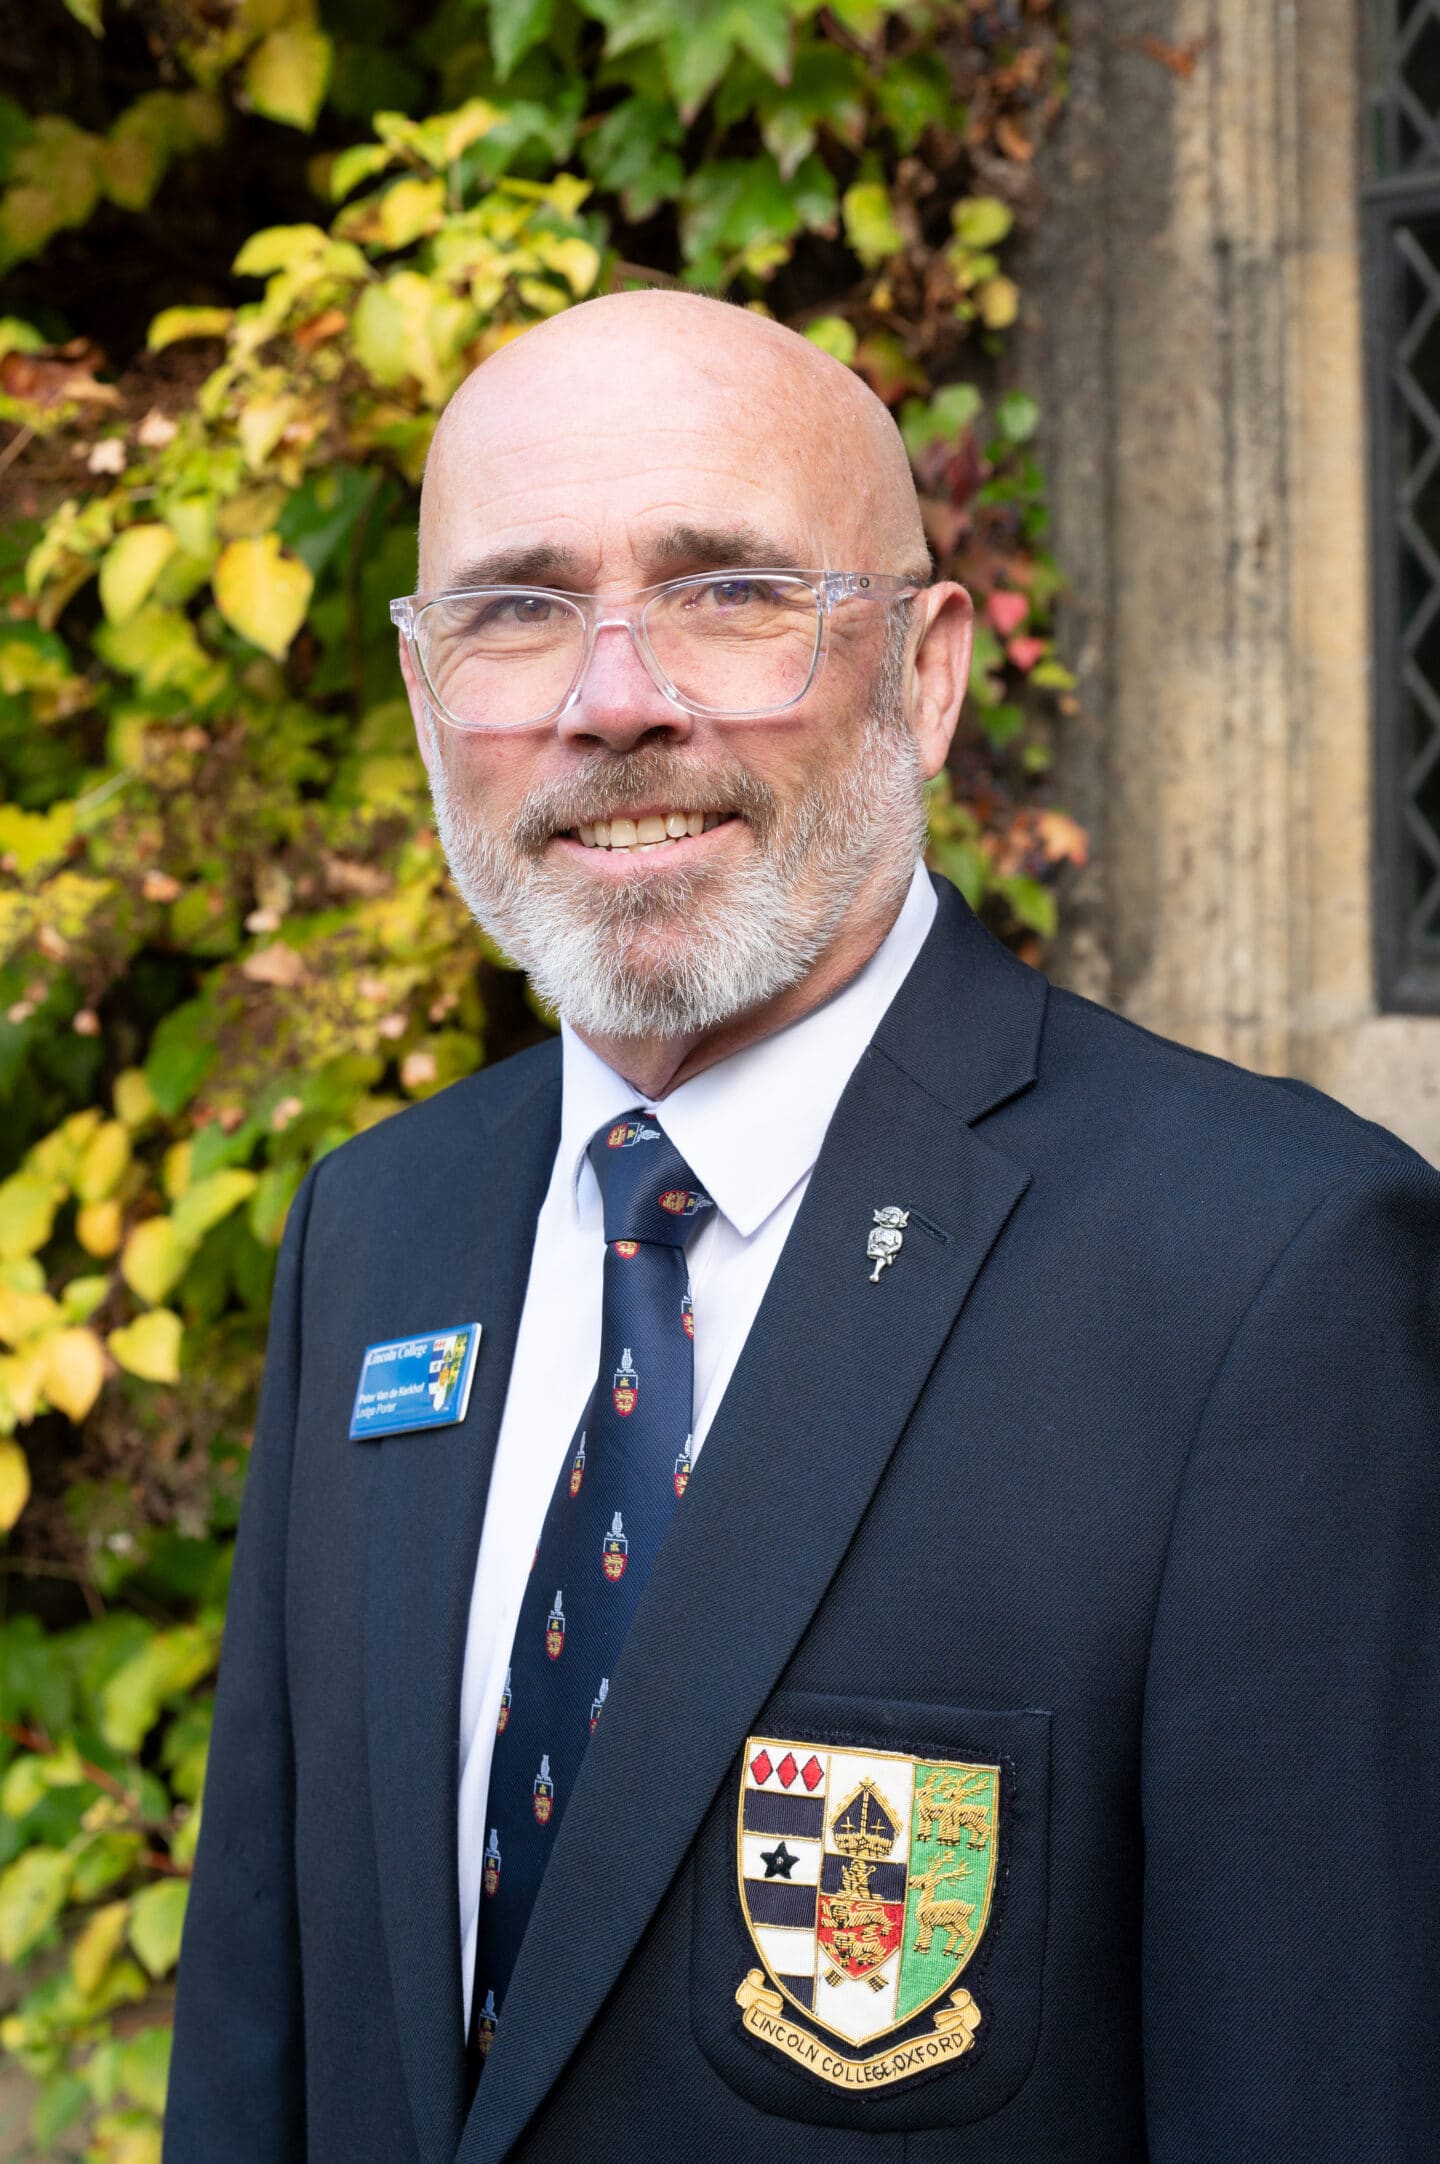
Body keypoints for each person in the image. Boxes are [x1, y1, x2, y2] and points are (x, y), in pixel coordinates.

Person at [165, 292, 1440, 2164]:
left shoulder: (1270, 1275)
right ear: (436, 698)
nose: (617, 698)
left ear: (925, 674)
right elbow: (266, 2042)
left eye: (729, 590)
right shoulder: (380, 1230)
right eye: (518, 610)